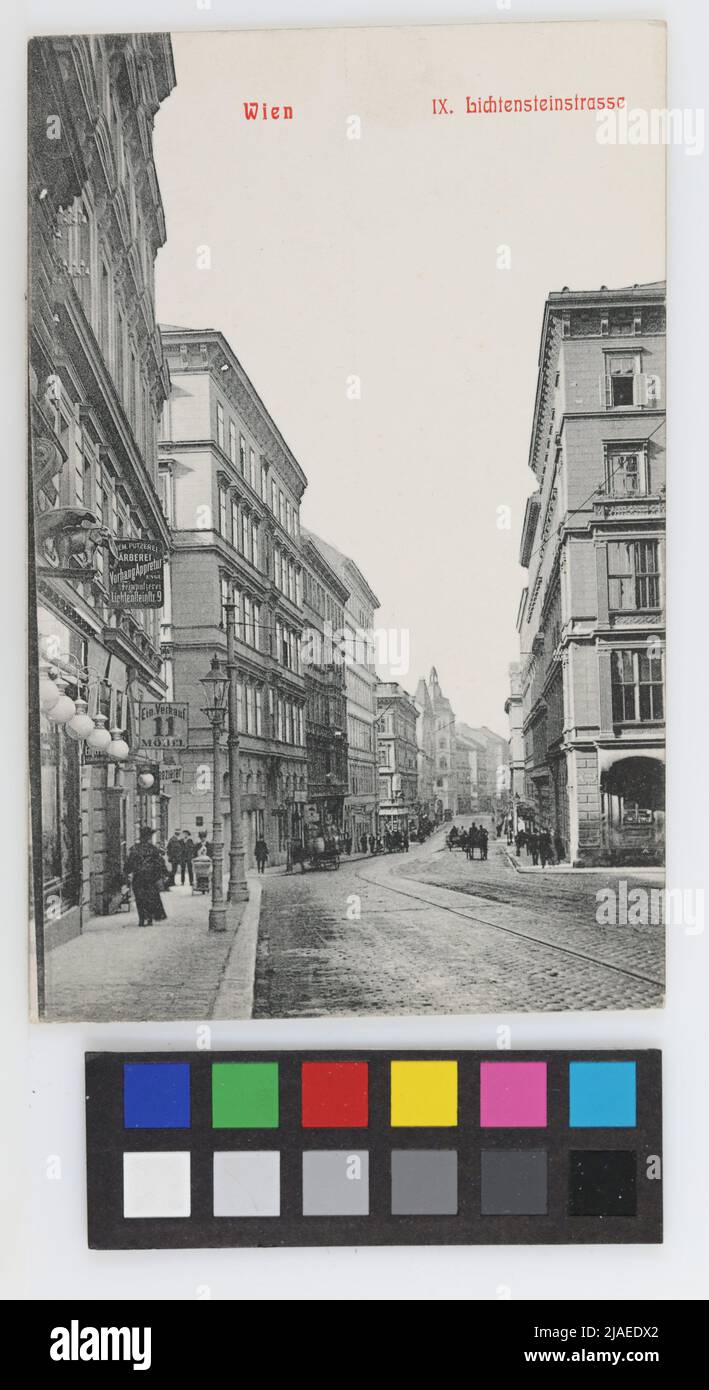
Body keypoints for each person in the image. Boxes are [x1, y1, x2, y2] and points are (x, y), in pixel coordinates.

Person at [124, 826, 167, 927]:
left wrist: (127, 872)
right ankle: (150, 919)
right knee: (150, 898)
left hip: (138, 878)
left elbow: (129, 863)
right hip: (150, 879)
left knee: (140, 898)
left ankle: (142, 919)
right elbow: (160, 863)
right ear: (149, 837)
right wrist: (162, 874)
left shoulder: (134, 849)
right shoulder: (153, 849)